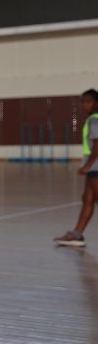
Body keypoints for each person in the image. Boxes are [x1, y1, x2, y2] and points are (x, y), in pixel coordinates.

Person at [54, 89, 98, 247]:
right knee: (87, 199)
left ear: (97, 103)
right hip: (93, 166)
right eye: (83, 101)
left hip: (95, 167)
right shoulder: (92, 119)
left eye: (88, 101)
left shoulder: (94, 120)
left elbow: (97, 146)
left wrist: (87, 166)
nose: (84, 105)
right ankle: (77, 235)